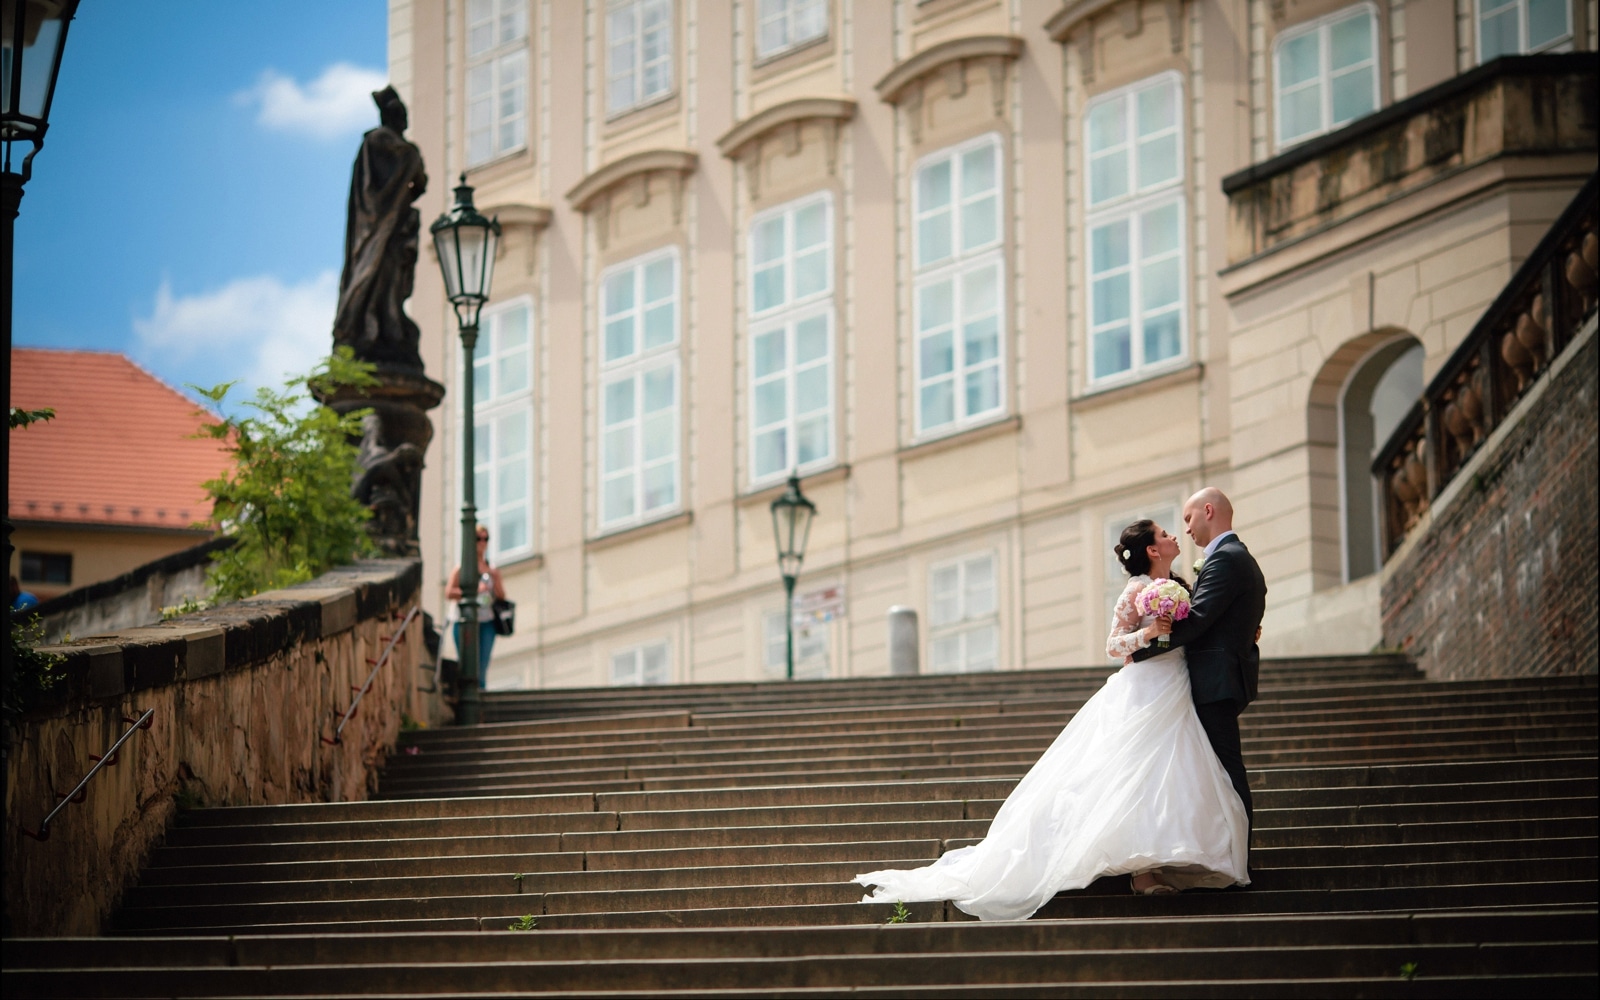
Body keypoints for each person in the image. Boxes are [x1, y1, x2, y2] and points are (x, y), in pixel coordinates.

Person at [853, 507, 1254, 919]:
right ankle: (1143, 871)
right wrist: (1149, 632)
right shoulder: (1136, 589)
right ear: (1152, 549)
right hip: (1143, 688)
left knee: (1174, 771)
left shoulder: (1179, 585)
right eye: (1167, 533)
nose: (1176, 535)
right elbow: (1113, 646)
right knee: (1132, 771)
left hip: (1178, 686)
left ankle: (1174, 853)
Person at [1129, 486, 1268, 842]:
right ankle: (1223, 850)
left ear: (1209, 511)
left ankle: (1238, 857)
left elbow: (1200, 618)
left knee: (1226, 770)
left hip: (1215, 680)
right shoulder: (1237, 556)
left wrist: (1142, 651)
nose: (1186, 528)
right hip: (1219, 677)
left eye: (1189, 518)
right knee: (1215, 771)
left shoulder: (1226, 558)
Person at [446, 527, 507, 685]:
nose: (482, 542)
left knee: (482, 664)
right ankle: (467, 700)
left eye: (485, 539)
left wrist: (494, 580)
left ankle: (480, 696)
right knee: (466, 664)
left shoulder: (491, 569)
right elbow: (449, 592)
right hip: (464, 620)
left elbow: (501, 596)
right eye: (478, 538)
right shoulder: (461, 567)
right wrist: (472, 591)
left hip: (487, 621)